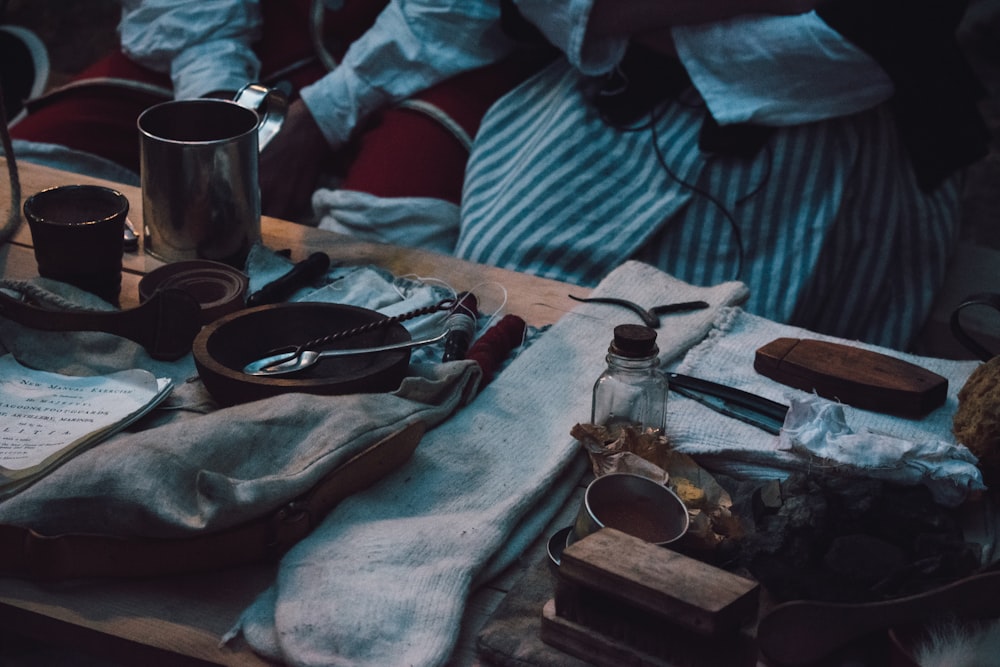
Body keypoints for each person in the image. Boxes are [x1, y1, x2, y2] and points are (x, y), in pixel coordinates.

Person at [7, 0, 991, 350]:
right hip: (579, 86)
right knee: (514, 307)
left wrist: (630, 18)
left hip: (815, 135)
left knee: (740, 355)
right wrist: (231, 100)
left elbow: (876, 33)